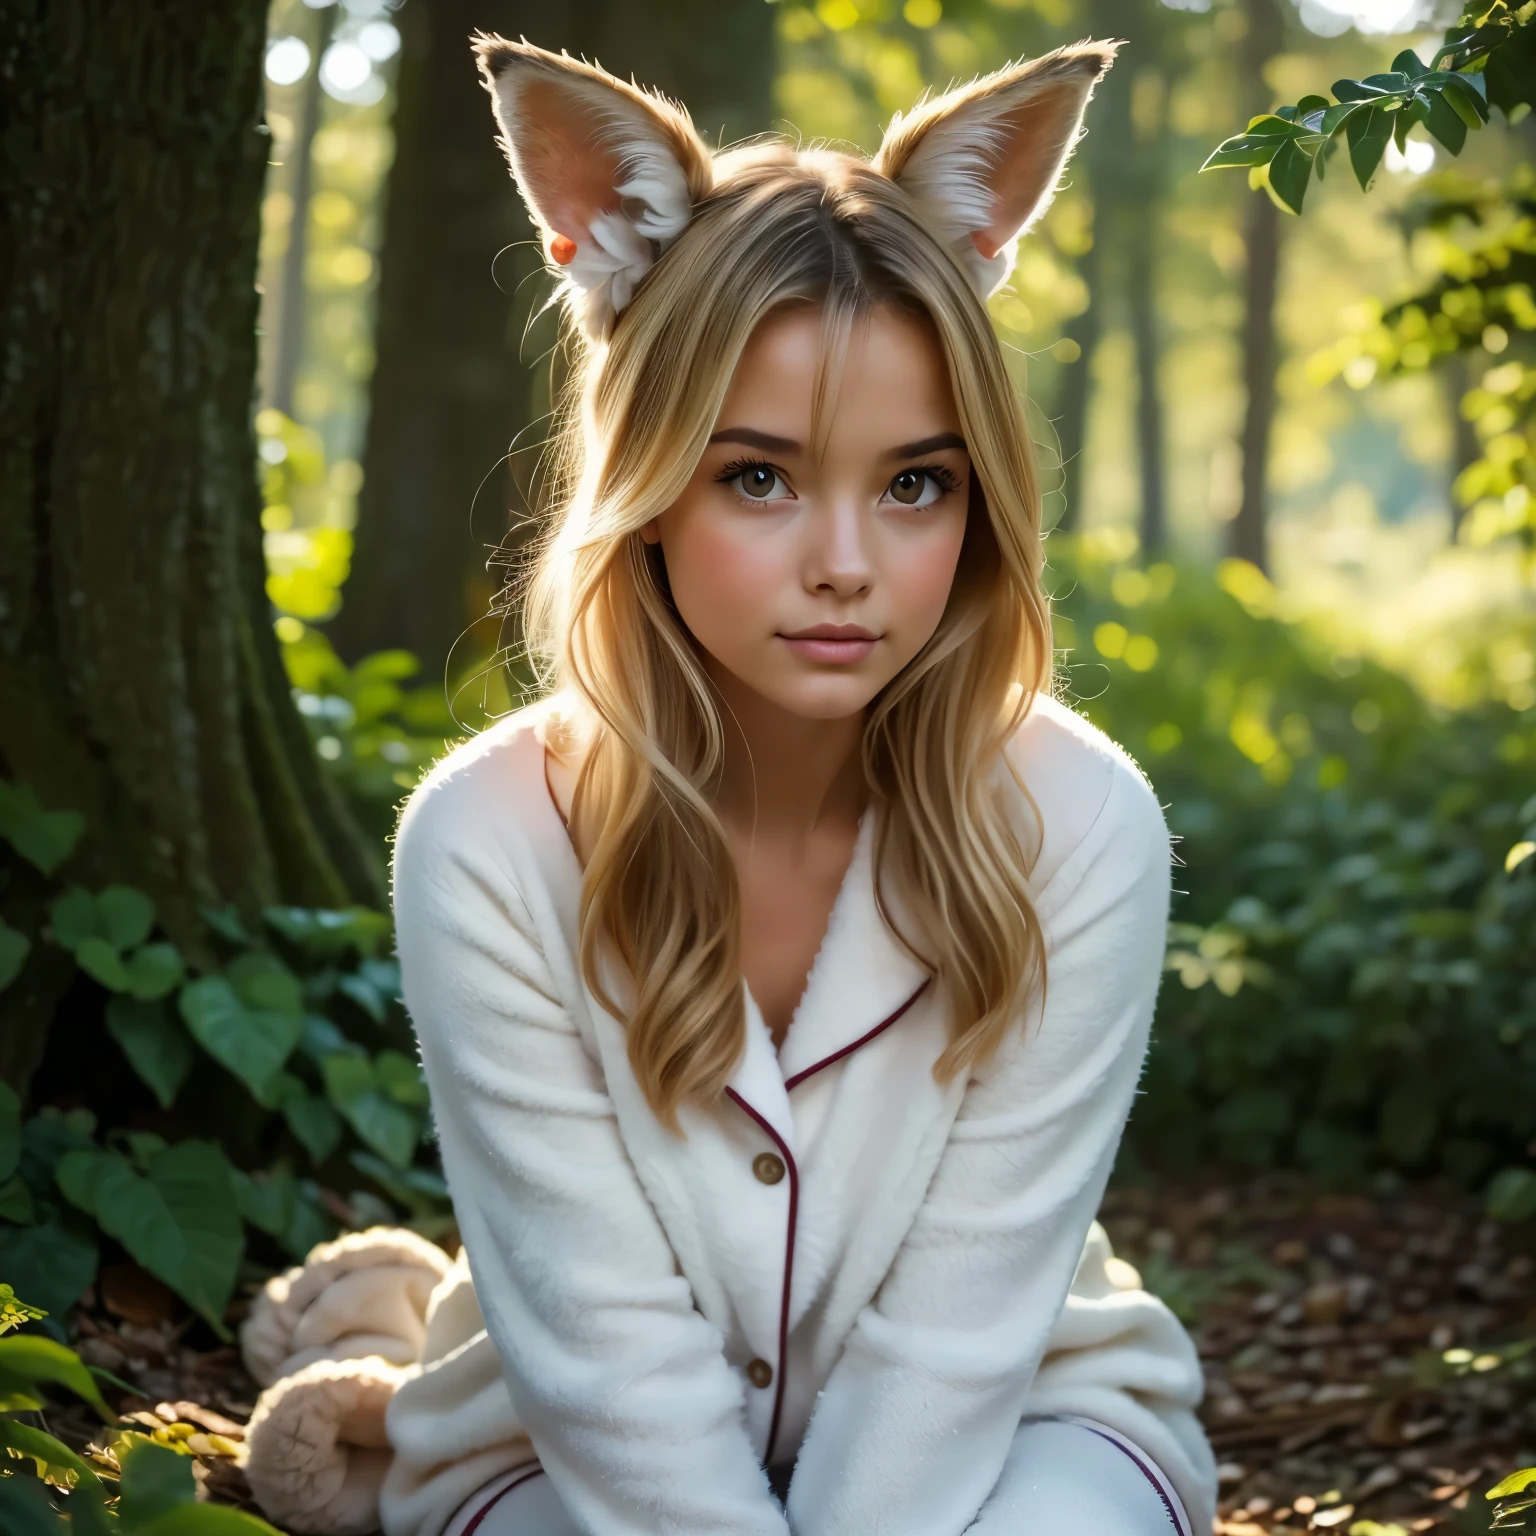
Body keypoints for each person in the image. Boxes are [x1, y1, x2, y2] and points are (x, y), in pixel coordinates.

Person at [236, 33, 1220, 1536]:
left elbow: (956, 1341)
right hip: (559, 1450)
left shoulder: (1081, 826)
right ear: (647, 474)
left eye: (916, 482)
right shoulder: (489, 842)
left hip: (1024, 1421)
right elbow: (601, 1363)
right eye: (757, 475)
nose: (847, 560)